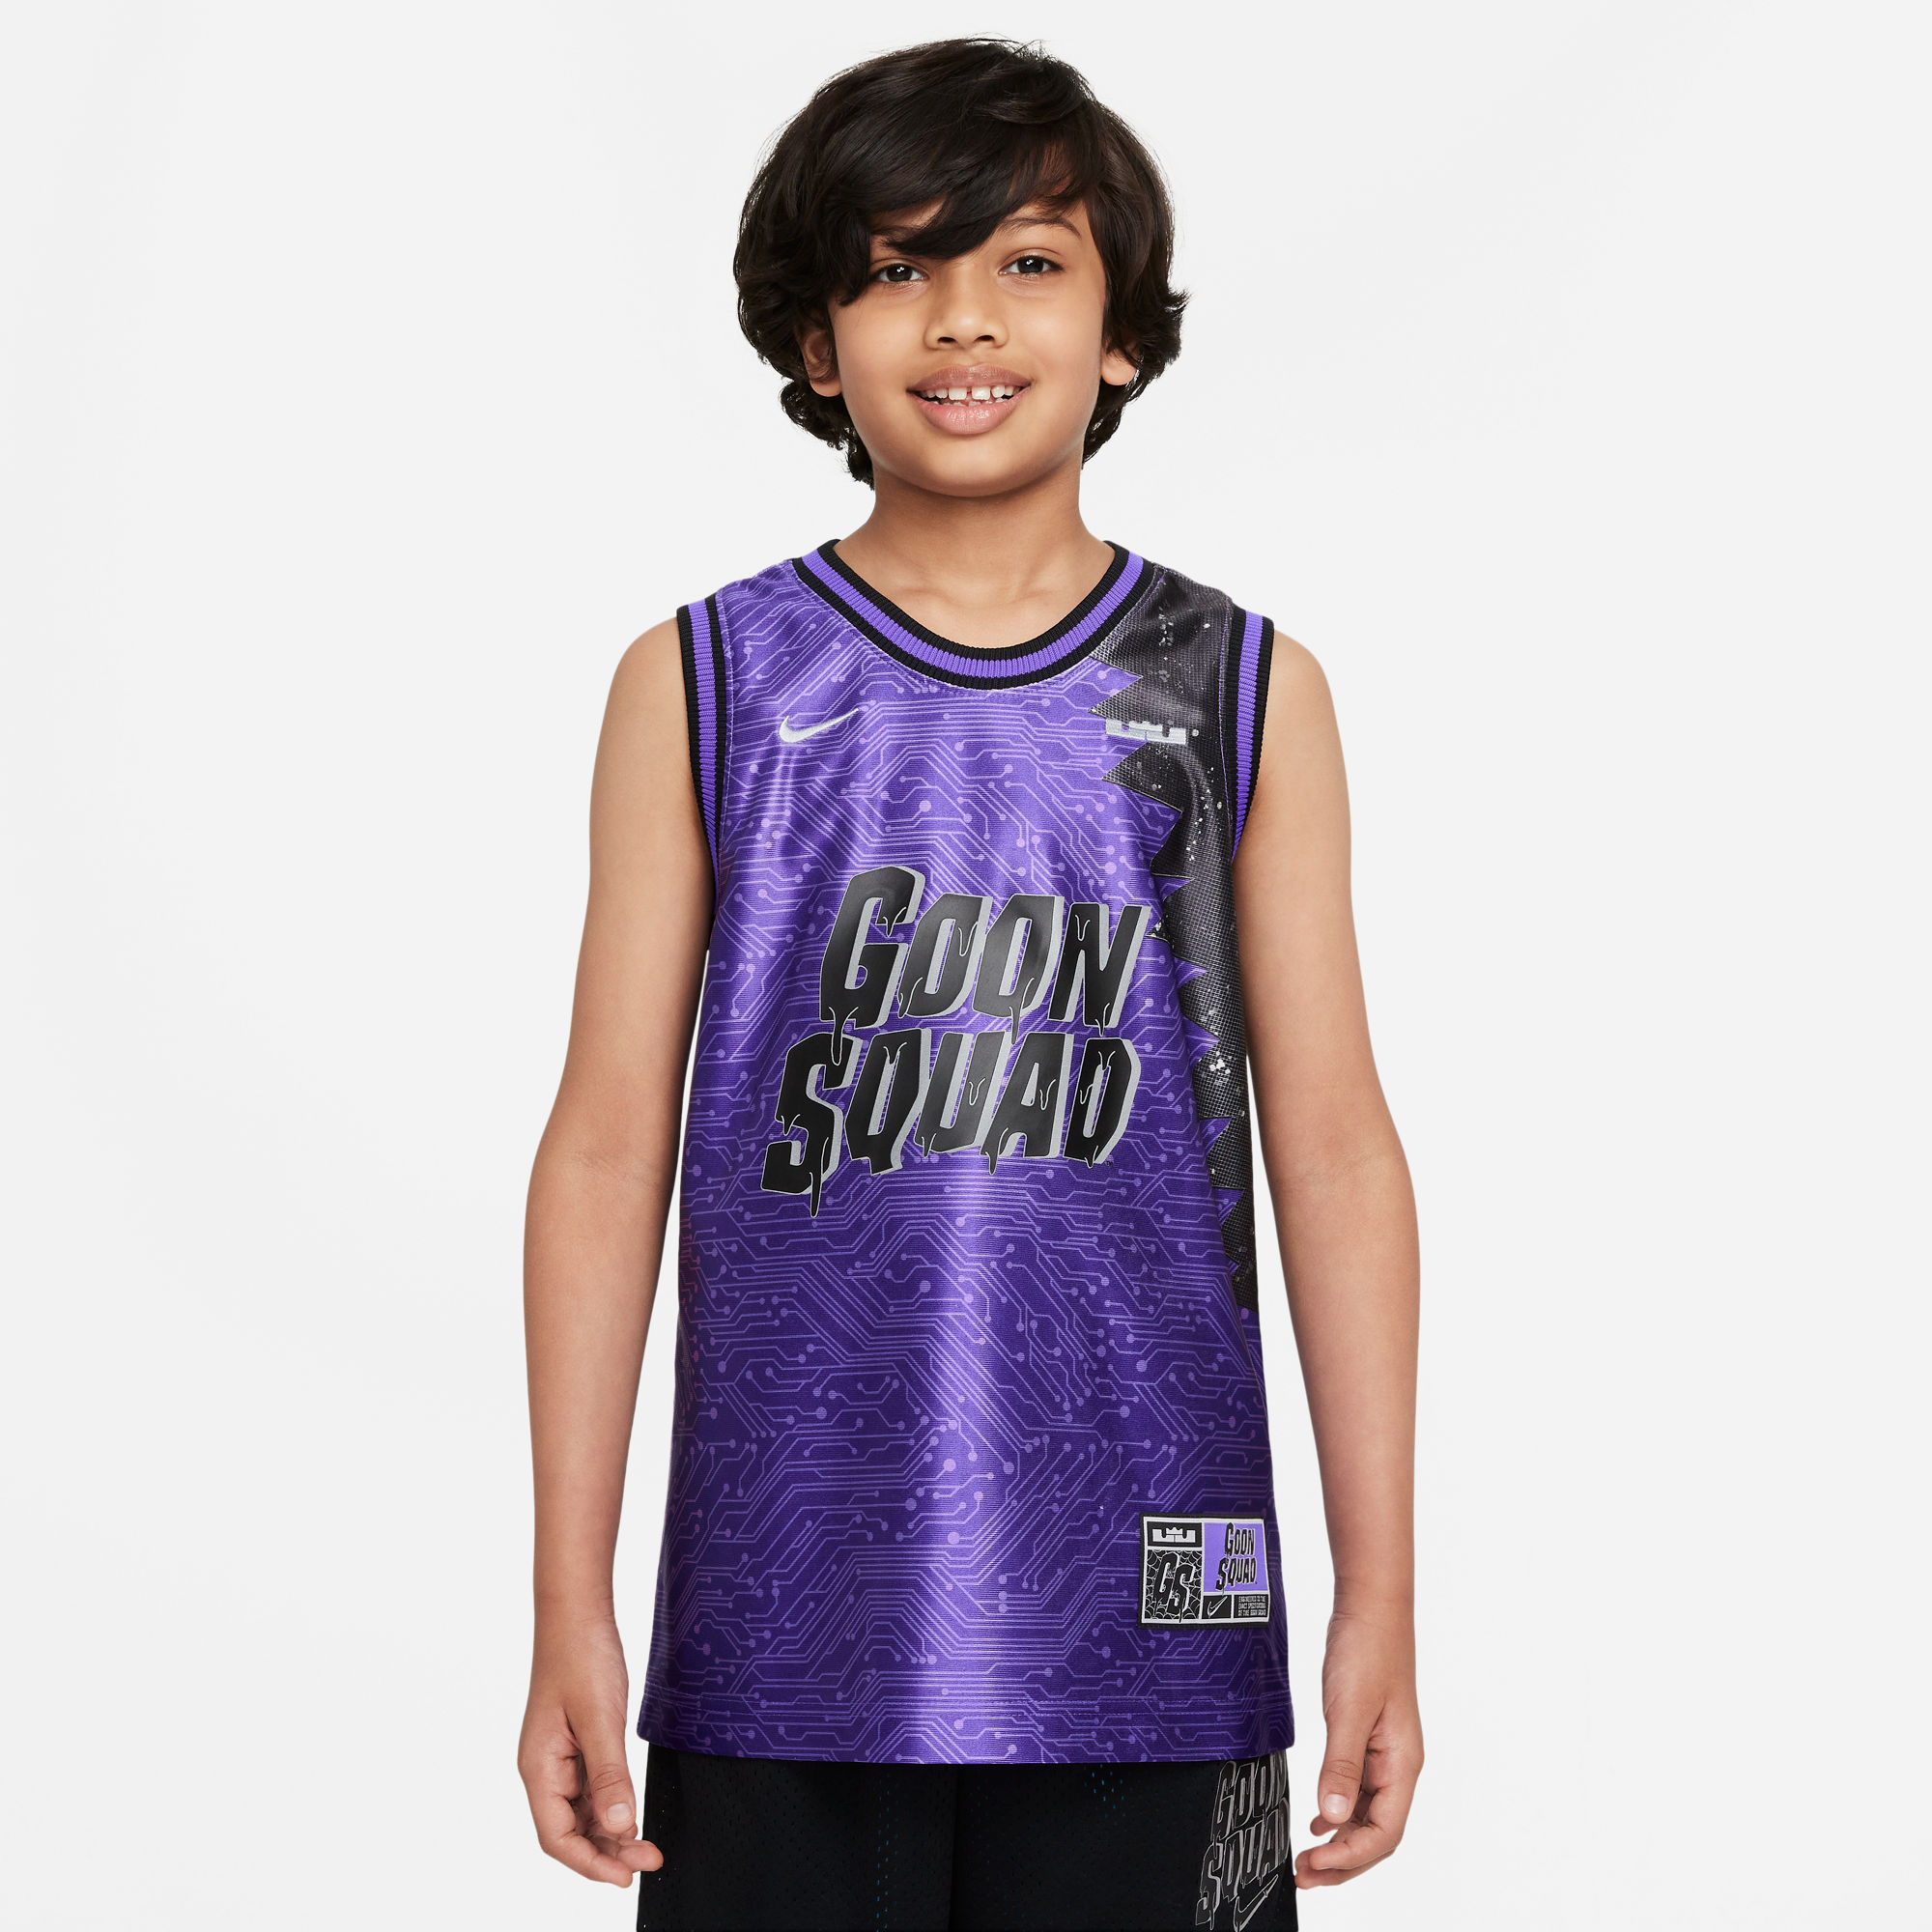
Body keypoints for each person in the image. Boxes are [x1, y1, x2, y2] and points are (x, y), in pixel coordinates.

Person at [517, 38, 1421, 1931]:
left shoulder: (1241, 690)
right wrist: (567, 1599)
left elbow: (1333, 1148)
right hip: (782, 1618)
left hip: (1160, 1609)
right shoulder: (703, 682)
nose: (962, 318)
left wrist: (1379, 1593)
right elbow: (605, 1150)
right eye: (894, 266)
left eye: (1027, 260)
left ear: (1121, 332)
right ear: (813, 341)